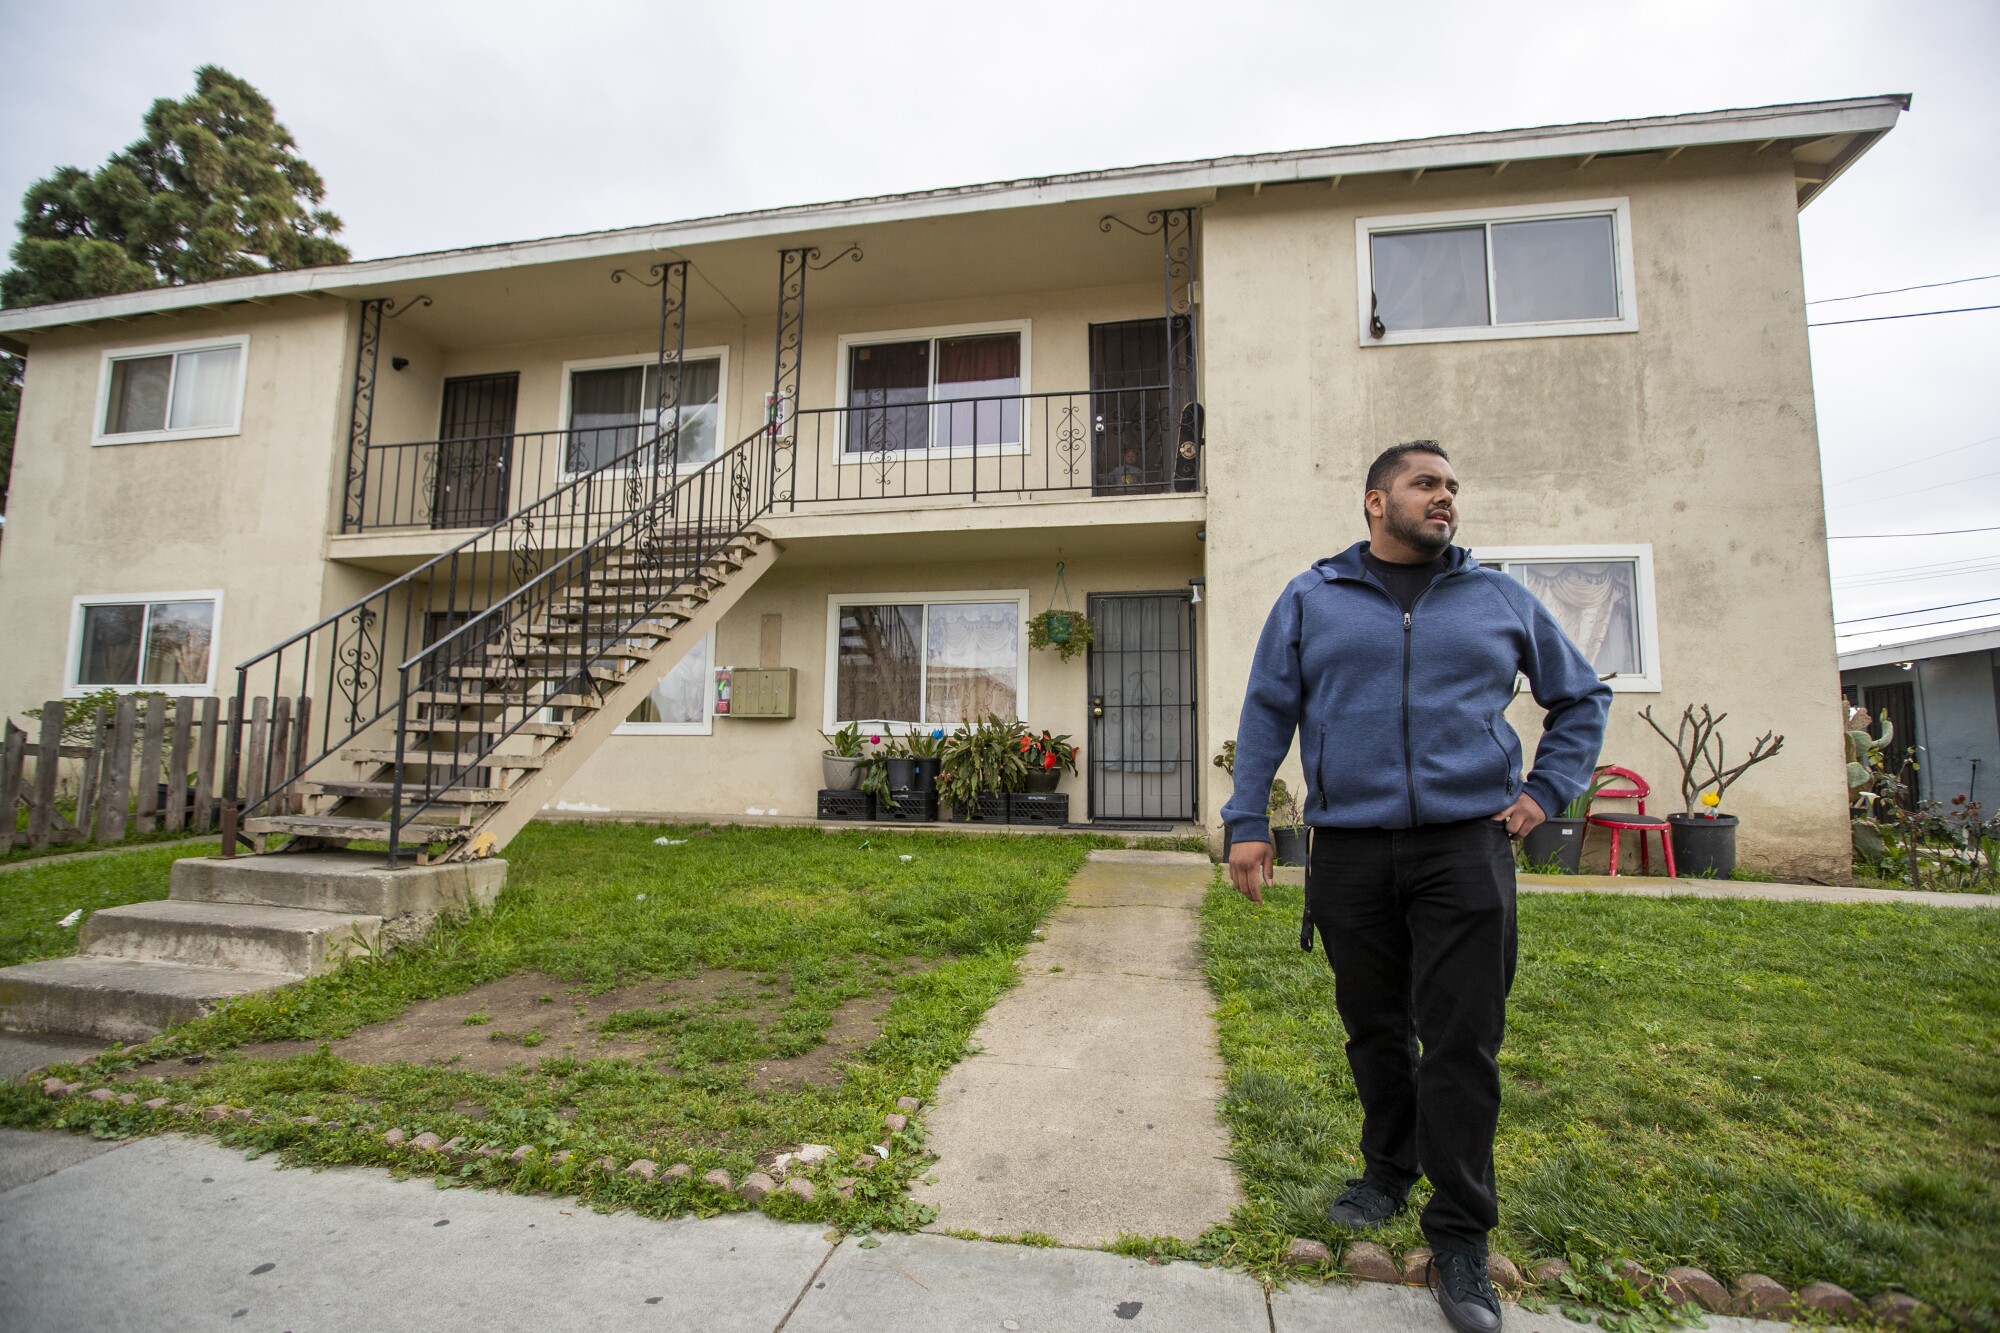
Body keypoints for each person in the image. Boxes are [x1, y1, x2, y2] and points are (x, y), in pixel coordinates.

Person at [1222, 440, 1610, 1333]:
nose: (1445, 499)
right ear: (1375, 502)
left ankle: (1462, 1233)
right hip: (1351, 850)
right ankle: (1387, 1169)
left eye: (1452, 488)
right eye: (1426, 484)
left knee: (1464, 1039)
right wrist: (1248, 821)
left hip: (1464, 849)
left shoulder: (1499, 598)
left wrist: (1543, 792)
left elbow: (1580, 696)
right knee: (1374, 1027)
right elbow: (1266, 709)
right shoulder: (1314, 596)